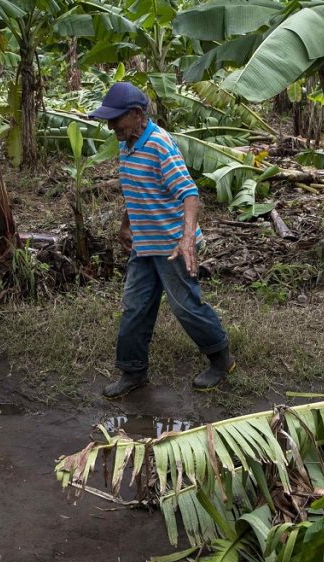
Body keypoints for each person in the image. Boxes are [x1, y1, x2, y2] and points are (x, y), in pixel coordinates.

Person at [88, 82, 235, 399]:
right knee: (135, 308)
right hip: (144, 244)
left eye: (116, 119)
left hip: (171, 246)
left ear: (137, 114)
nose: (111, 126)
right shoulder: (129, 143)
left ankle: (221, 361)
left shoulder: (159, 145)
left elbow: (190, 194)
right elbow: (136, 190)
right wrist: (126, 225)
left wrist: (187, 240)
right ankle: (133, 372)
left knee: (185, 307)